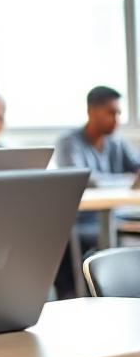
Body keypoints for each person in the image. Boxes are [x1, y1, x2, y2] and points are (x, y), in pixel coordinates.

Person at [54, 85, 140, 297]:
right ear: (91, 111)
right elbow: (84, 178)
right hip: (80, 221)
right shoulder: (69, 143)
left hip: (116, 217)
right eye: (111, 112)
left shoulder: (117, 144)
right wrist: (128, 180)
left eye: (119, 113)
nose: (116, 119)